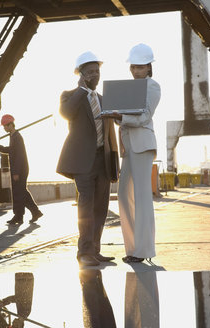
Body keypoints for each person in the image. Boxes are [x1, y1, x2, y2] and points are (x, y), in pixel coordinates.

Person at [56, 51, 120, 267]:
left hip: (103, 159)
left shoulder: (106, 99)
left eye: (97, 71)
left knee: (101, 207)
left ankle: (95, 250)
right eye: (90, 72)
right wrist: (82, 89)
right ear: (81, 75)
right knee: (86, 205)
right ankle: (84, 252)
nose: (95, 75)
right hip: (82, 161)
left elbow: (118, 123)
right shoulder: (69, 95)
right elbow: (66, 113)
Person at [104, 43, 161, 264]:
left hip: (143, 145)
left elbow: (145, 117)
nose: (135, 71)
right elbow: (125, 118)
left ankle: (144, 250)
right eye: (133, 67)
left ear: (148, 67)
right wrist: (116, 117)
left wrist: (122, 117)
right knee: (124, 197)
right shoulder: (129, 89)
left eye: (139, 67)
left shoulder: (152, 86)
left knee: (143, 198)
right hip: (128, 147)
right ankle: (132, 248)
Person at [0, 114, 43, 225]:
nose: (4, 128)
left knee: (19, 193)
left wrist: (16, 172)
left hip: (20, 169)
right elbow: (10, 150)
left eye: (5, 126)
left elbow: (19, 156)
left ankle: (22, 215)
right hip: (19, 168)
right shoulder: (13, 136)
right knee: (20, 192)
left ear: (10, 125)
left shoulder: (17, 137)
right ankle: (28, 214)